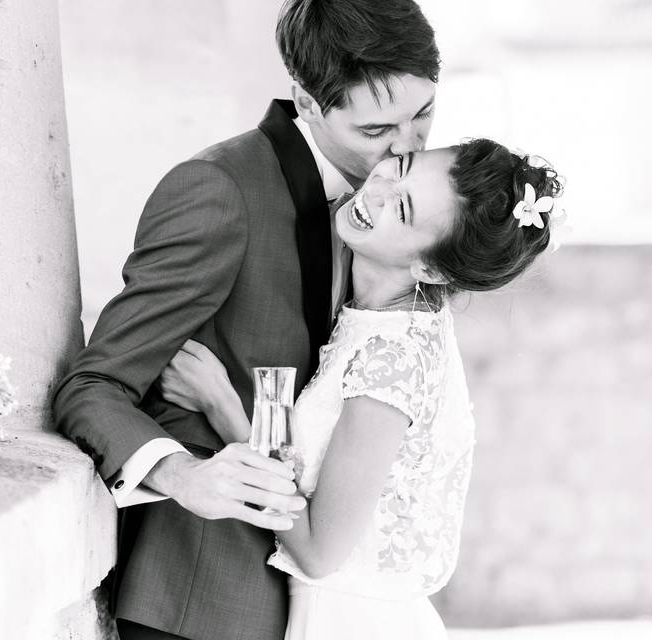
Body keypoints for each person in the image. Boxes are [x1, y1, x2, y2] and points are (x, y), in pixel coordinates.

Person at [53, 1, 441, 638]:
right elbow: (93, 385)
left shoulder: (402, 210)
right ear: (308, 102)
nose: (405, 148)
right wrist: (183, 476)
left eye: (422, 114)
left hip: (323, 600)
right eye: (376, 131)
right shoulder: (217, 191)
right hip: (201, 599)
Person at [158, 140, 566, 639]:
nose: (379, 190)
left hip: (347, 621)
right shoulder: (384, 317)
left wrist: (221, 406)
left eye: (402, 207)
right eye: (400, 167)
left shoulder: (390, 360)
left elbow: (318, 550)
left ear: (431, 268)